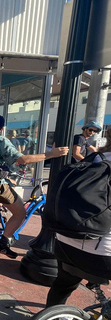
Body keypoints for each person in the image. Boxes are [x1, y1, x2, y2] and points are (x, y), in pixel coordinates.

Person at [0, 115, 68, 259]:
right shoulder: (0, 140)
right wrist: (51, 154)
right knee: (20, 213)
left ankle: (2, 223)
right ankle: (2, 244)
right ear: (2, 129)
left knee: (8, 199)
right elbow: (23, 160)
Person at [44, 127, 111, 307]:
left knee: (63, 284)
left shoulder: (94, 159)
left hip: (64, 243)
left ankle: (53, 314)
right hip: (101, 255)